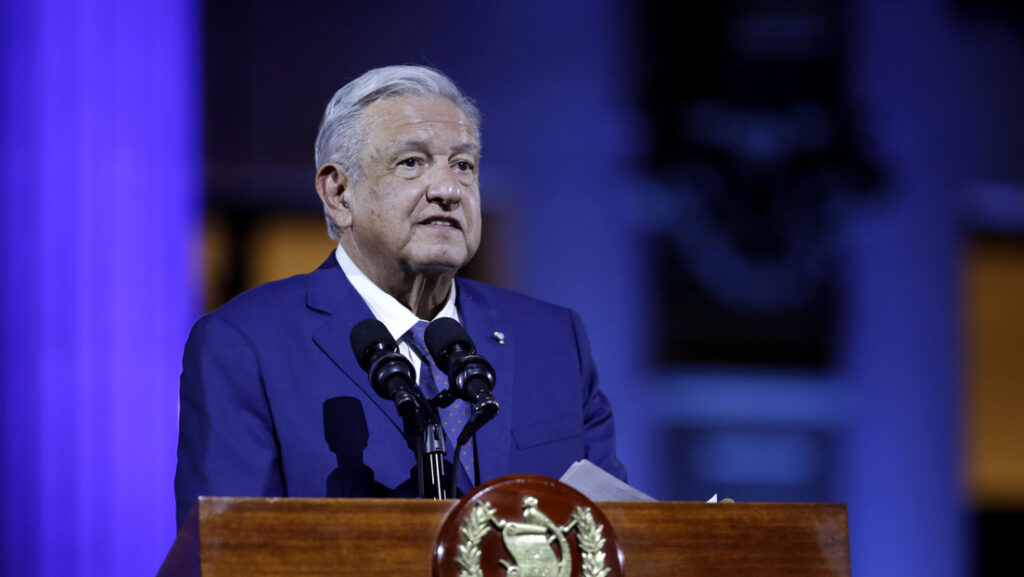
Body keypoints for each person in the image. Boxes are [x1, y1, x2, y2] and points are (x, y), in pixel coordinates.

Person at [174, 65, 626, 530]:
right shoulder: (246, 344)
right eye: (412, 162)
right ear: (339, 193)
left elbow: (616, 536)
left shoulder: (553, 339)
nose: (449, 189)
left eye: (464, 165)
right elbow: (228, 552)